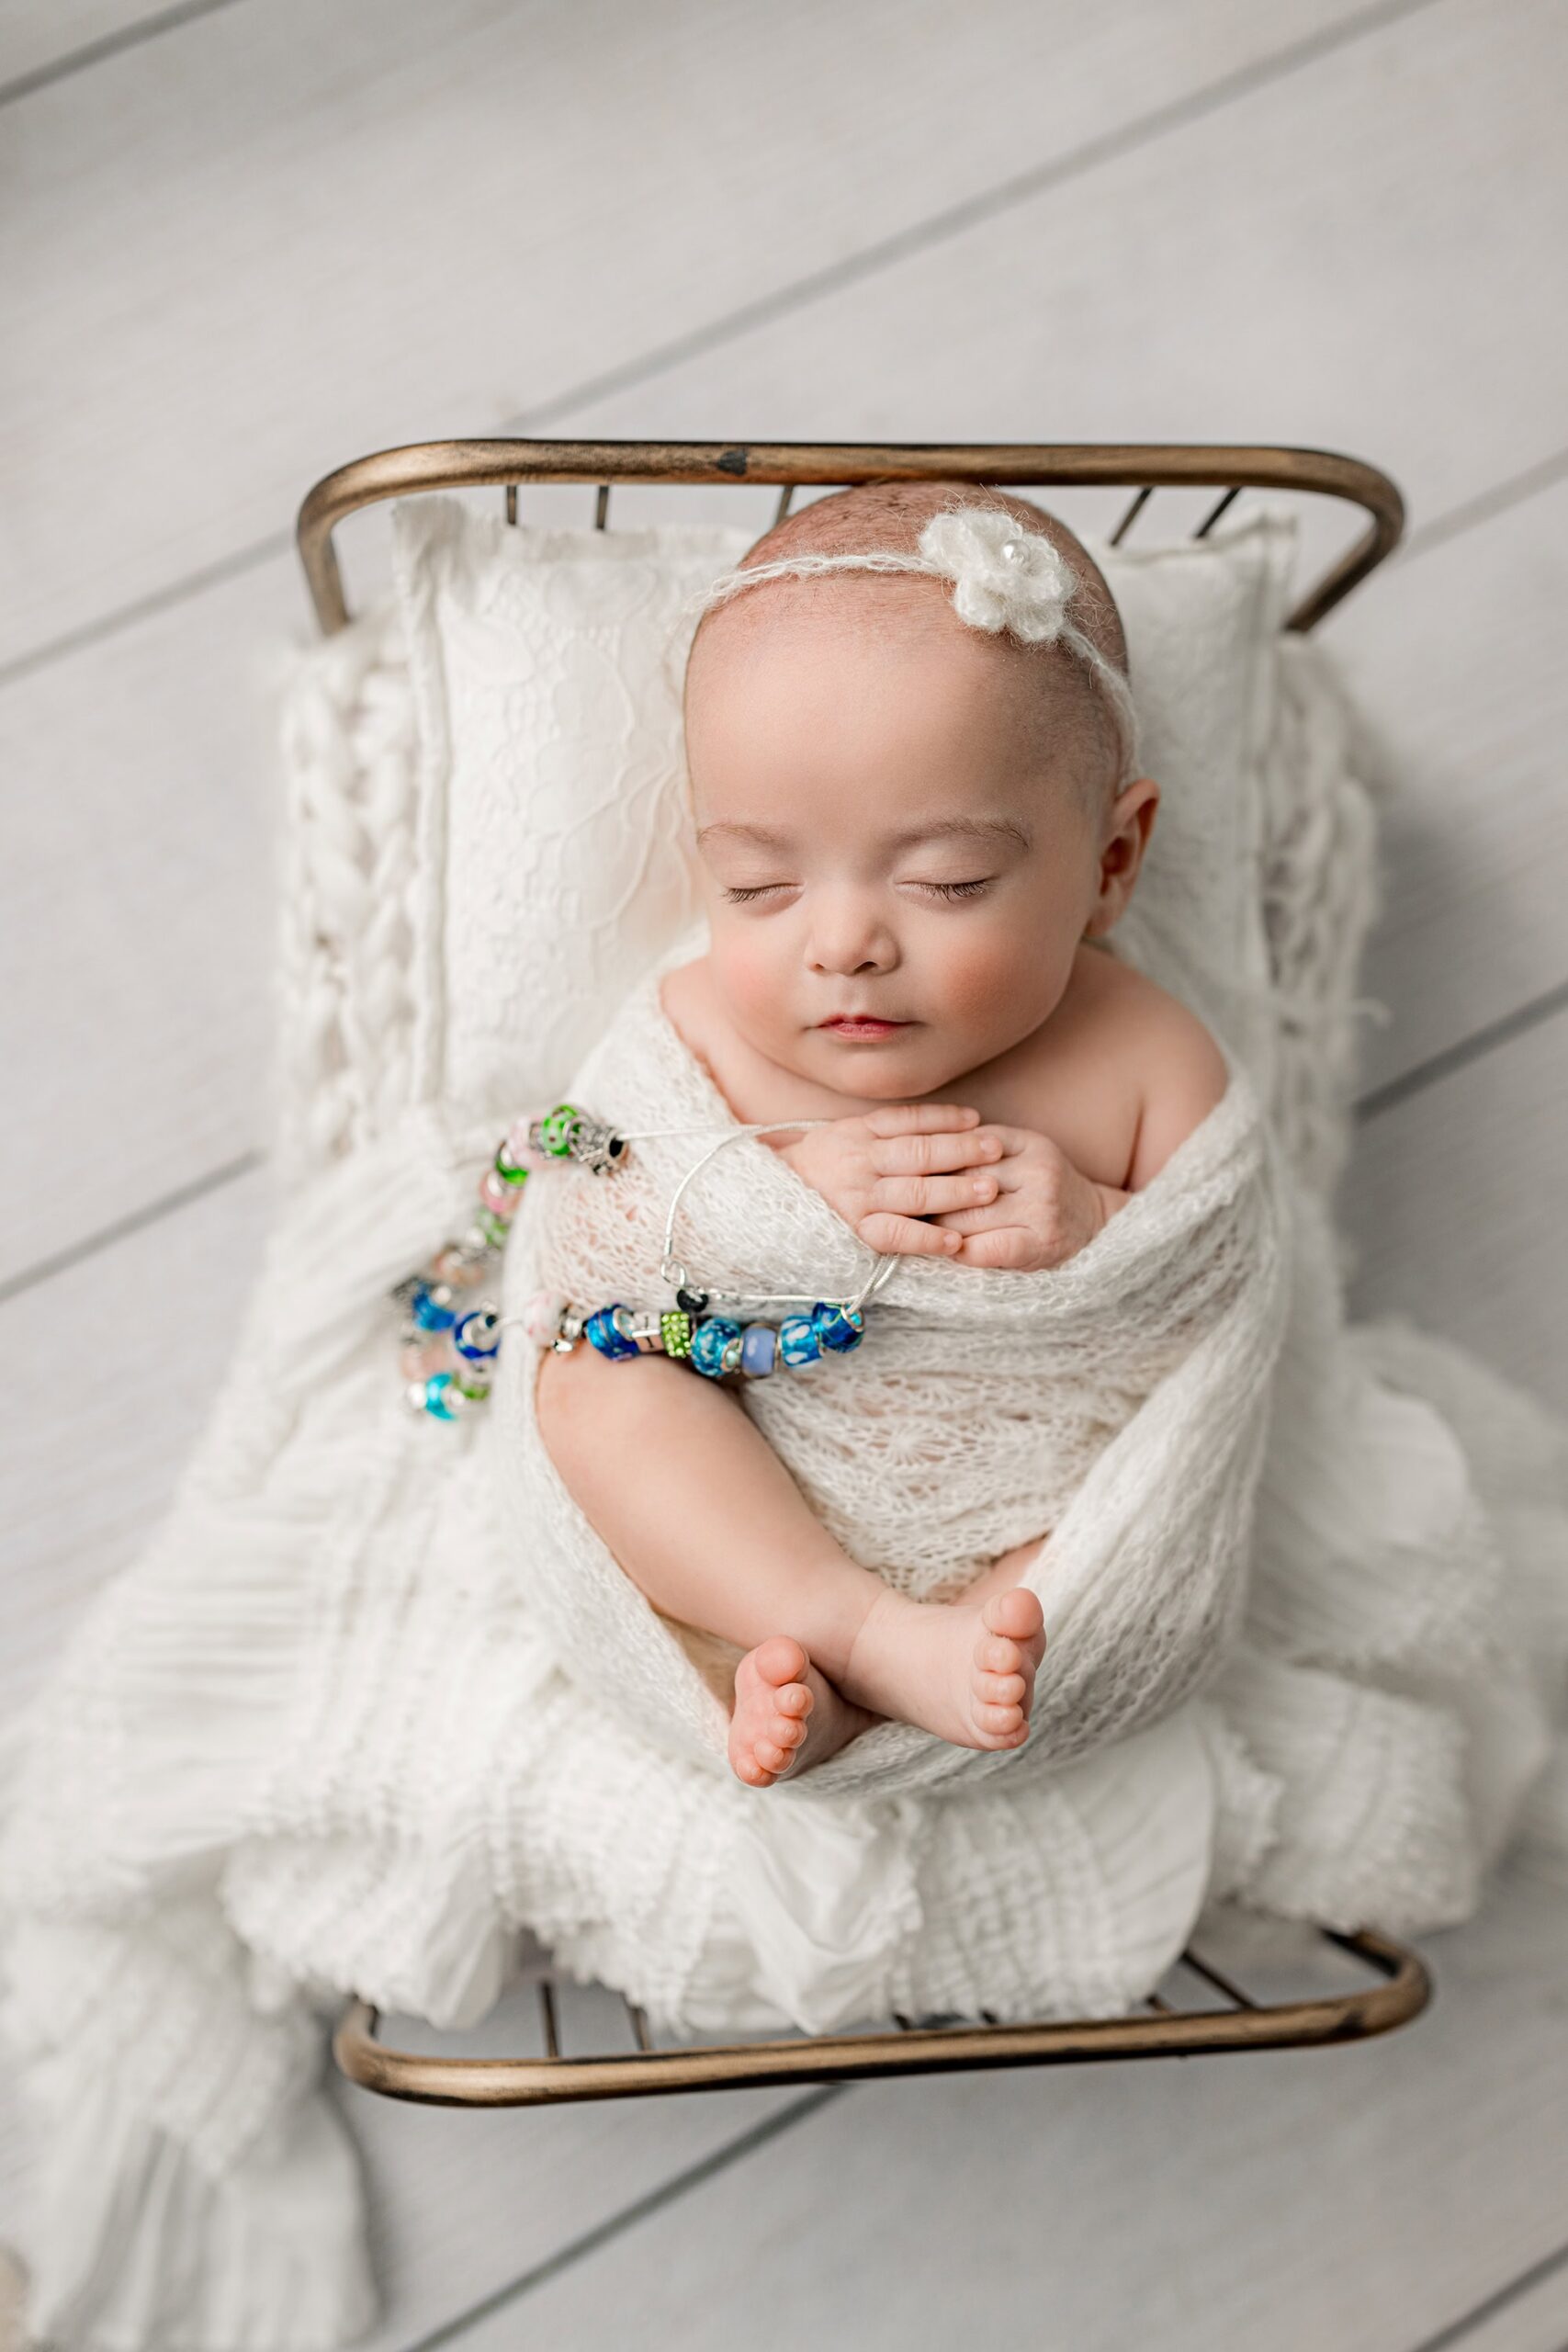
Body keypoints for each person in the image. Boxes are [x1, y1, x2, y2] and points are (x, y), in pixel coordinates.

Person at [534, 481, 1230, 1787]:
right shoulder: (699, 1029)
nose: (843, 940)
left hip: (1015, 1533)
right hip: (752, 1501)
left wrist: (1098, 1231)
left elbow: (1220, 1294)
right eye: (760, 885)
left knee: (1109, 1551)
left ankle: (860, 1676)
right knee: (592, 1387)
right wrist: (769, 1200)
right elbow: (587, 1226)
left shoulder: (1149, 1057)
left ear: (1112, 862)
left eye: (950, 880)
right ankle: (844, 1632)